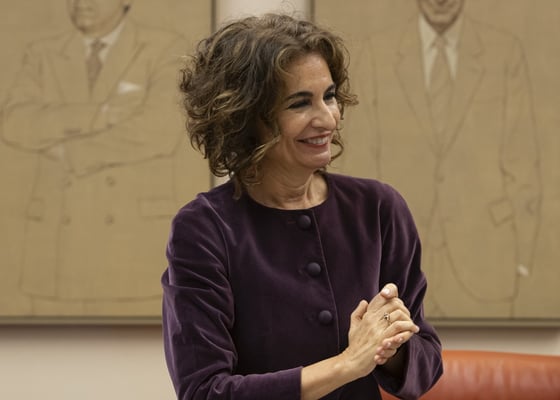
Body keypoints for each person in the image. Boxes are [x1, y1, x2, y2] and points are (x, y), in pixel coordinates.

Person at [161, 13, 442, 400]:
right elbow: (204, 392)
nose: (327, 118)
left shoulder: (379, 208)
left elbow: (426, 363)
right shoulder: (204, 228)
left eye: (330, 96)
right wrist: (347, 364)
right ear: (246, 117)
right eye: (300, 103)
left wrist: (389, 348)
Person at [339, 0, 541, 318]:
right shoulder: (377, 53)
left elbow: (523, 161)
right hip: (392, 266)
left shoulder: (504, 51)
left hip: (487, 256)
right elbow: (360, 159)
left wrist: (523, 260)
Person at [1, 0, 202, 312]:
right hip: (55, 242)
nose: (82, 3)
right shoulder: (43, 53)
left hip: (130, 236)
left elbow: (158, 130)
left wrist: (70, 152)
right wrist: (99, 114)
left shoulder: (164, 48)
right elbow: (15, 123)